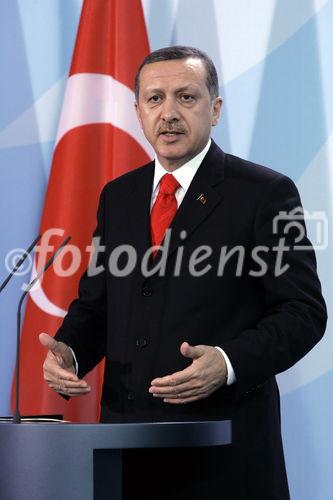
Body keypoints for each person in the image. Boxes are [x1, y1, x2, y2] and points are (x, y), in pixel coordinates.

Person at [39, 46, 327, 499]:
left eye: (185, 98)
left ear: (214, 109)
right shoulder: (118, 196)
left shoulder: (266, 192)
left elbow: (303, 310)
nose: (168, 113)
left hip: (223, 454)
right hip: (125, 452)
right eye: (154, 99)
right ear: (137, 111)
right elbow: (98, 305)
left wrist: (229, 363)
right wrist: (70, 352)